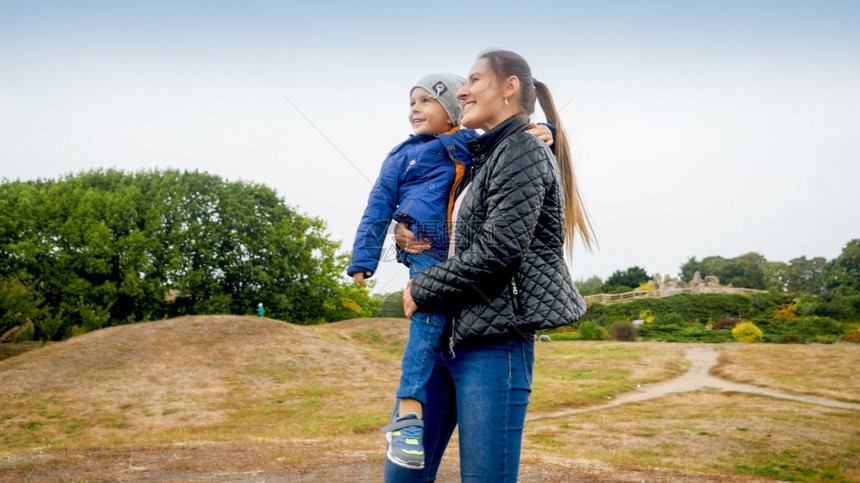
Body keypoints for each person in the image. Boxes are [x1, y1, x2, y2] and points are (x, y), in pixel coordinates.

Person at [395, 50, 596, 482]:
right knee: (402, 473)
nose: (462, 91)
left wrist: (422, 287)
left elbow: (497, 252)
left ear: (510, 88)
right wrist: (407, 234)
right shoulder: (479, 158)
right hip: (437, 346)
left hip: (492, 347)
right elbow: (455, 238)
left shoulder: (522, 149)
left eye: (474, 80)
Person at [346, 73, 554, 470]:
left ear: (453, 112)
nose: (415, 109)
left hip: (465, 271)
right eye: (412, 102)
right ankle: (408, 417)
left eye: (426, 100)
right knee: (425, 330)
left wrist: (549, 131)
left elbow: (513, 142)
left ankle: (410, 415)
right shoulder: (400, 156)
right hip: (427, 250)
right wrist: (366, 257)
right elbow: (377, 207)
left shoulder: (470, 144)